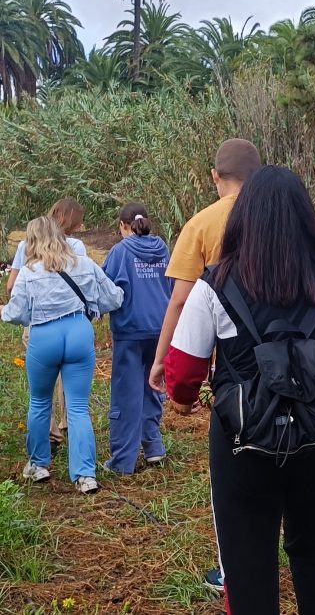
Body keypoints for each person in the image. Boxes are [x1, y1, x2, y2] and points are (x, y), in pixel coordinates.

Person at [162, 167, 315, 614]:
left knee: (246, 554)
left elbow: (184, 371)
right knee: (311, 541)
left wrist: (184, 401)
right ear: (306, 218)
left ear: (243, 218)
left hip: (242, 438)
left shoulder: (214, 284)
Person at [147, 137, 261, 592]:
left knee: (232, 473)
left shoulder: (202, 223)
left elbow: (180, 301)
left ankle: (233, 568)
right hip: (292, 359)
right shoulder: (282, 215)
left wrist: (163, 361)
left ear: (215, 176)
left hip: (233, 364)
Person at [0, 216, 124, 494]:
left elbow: (18, 313)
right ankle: (85, 475)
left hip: (44, 335)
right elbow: (113, 298)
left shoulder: (29, 271)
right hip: (78, 332)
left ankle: (38, 464)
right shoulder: (85, 264)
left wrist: (2, 312)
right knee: (78, 407)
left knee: (40, 401)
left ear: (32, 240)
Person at [7, 198, 87, 449]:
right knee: (71, 383)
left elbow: (11, 286)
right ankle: (71, 426)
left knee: (40, 393)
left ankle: (48, 437)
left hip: (38, 325)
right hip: (74, 325)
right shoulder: (76, 246)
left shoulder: (26, 244)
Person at [101, 203, 172, 474]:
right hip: (161, 330)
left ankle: (122, 461)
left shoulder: (120, 252)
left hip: (130, 331)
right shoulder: (162, 249)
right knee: (152, 386)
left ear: (123, 225)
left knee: (125, 395)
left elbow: (105, 288)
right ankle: (153, 446)